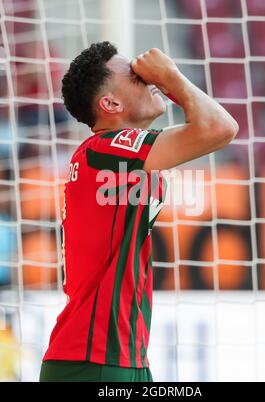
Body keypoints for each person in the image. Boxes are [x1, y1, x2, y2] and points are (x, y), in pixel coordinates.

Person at [39, 41, 238, 382]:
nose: (146, 77)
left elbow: (211, 130)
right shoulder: (105, 148)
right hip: (91, 358)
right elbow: (220, 128)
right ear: (110, 103)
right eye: (133, 74)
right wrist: (172, 78)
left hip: (121, 356)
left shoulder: (116, 154)